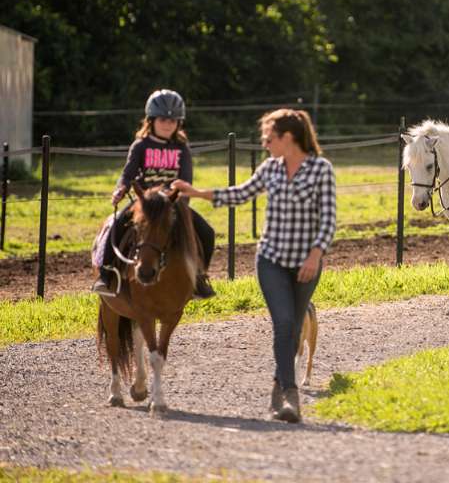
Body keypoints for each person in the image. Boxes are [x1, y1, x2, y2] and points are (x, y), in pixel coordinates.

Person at [172, 108, 336, 423]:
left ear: (288, 138)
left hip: (307, 264)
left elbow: (328, 220)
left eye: (268, 138)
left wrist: (316, 254)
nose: (265, 144)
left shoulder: (321, 170)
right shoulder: (270, 169)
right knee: (285, 324)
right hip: (271, 259)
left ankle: (278, 386)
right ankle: (290, 395)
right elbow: (240, 193)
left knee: (292, 328)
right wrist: (197, 193)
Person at [92, 89, 216, 299]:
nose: (168, 123)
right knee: (115, 226)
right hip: (144, 205)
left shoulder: (182, 149)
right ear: (151, 120)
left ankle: (198, 277)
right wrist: (120, 190)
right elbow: (127, 174)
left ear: (179, 123)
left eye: (173, 120)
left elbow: (185, 182)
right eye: (162, 119)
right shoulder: (140, 146)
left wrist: (178, 206)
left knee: (207, 232)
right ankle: (105, 276)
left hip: (173, 206)